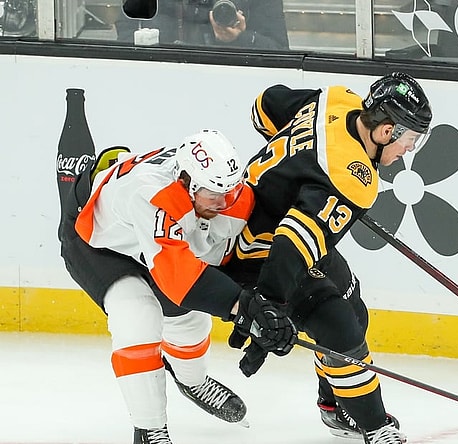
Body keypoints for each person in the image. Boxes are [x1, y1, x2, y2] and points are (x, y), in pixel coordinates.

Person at [222, 72, 433, 444]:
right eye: (409, 140)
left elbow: (265, 106)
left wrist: (290, 175)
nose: (408, 151)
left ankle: (334, 408)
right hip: (251, 251)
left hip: (268, 219)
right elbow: (292, 244)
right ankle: (376, 427)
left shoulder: (337, 100)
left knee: (354, 305)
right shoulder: (353, 178)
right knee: (339, 327)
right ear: (385, 131)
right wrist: (268, 305)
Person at [57, 129, 296, 444]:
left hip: (150, 246)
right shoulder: (152, 194)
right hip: (99, 245)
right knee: (136, 316)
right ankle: (150, 429)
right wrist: (243, 307)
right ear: (186, 181)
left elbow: (239, 253)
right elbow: (180, 278)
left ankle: (193, 381)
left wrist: (271, 301)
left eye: (230, 189)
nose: (225, 201)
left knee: (191, 321)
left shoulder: (223, 192)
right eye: (214, 192)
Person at [116, 0, 289, 50]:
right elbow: (125, 35)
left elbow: (282, 55)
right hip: (155, 85)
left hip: (228, 89)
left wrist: (240, 39)